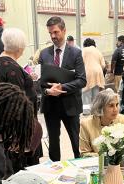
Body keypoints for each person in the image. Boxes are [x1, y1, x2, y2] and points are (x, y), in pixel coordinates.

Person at [38, 16, 87, 161]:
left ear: (64, 30)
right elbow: (39, 82)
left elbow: (82, 80)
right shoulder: (44, 54)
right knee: (53, 144)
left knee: (76, 142)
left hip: (70, 104)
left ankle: (80, 168)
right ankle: (55, 171)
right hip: (50, 105)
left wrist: (62, 87)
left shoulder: (75, 53)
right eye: (50, 33)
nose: (53, 36)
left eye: (56, 32)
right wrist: (47, 91)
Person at [0, 28, 43, 173]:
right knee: (26, 166)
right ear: (19, 47)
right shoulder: (11, 67)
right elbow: (18, 100)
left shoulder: (5, 62)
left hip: (22, 124)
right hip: (22, 127)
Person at [80, 88, 124, 156]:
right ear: (100, 108)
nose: (115, 109)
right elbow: (84, 154)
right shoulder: (86, 124)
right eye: (111, 106)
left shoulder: (122, 119)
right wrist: (107, 156)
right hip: (96, 163)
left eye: (117, 105)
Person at [82, 37, 105, 106]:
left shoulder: (84, 50)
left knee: (86, 94)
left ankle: (86, 113)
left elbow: (80, 63)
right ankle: (95, 112)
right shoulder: (98, 51)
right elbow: (103, 65)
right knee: (96, 95)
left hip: (88, 72)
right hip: (98, 73)